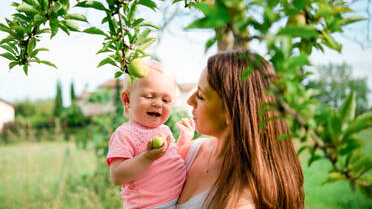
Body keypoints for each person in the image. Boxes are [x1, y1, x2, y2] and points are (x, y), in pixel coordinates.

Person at [176, 50, 304, 209]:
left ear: (230, 111)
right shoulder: (192, 151)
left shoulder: (244, 197)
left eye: (200, 96)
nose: (189, 101)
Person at [106, 60, 194, 209]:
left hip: (175, 201)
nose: (158, 104)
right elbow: (117, 176)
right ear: (127, 100)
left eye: (165, 100)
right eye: (148, 96)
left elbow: (169, 159)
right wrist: (147, 157)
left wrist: (184, 140)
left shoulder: (164, 130)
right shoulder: (125, 134)